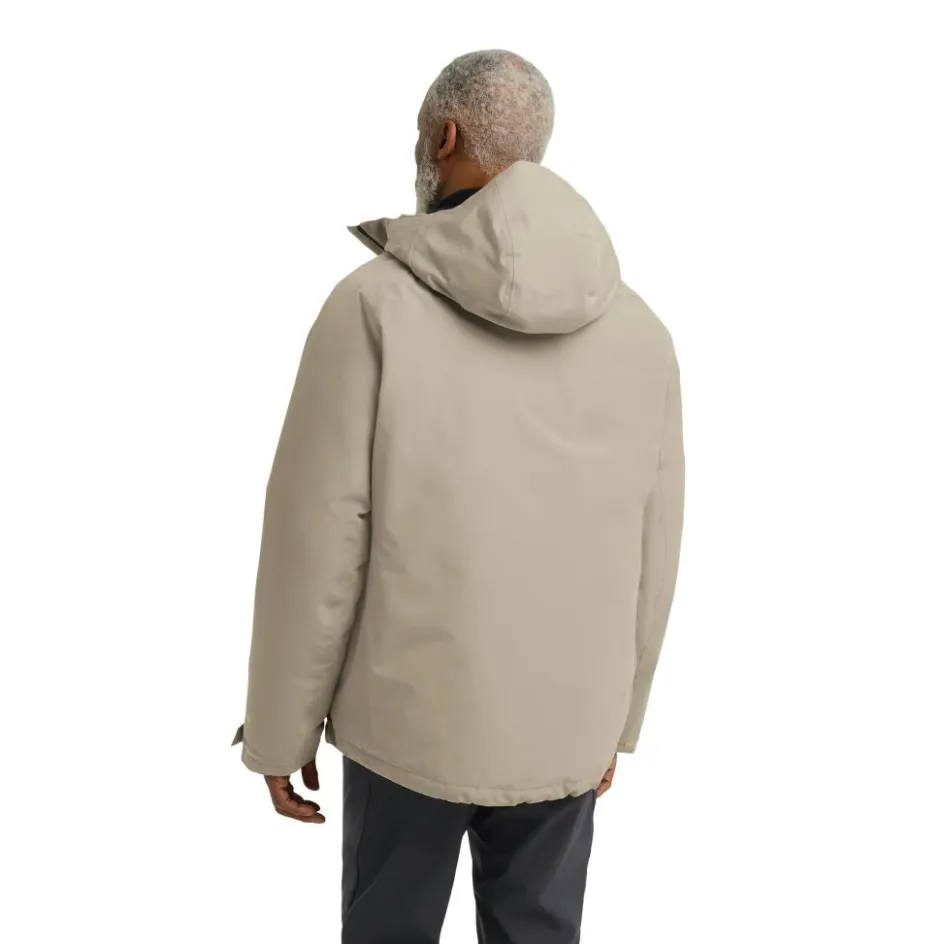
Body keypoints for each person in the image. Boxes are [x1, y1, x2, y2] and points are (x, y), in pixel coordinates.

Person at [233, 49, 685, 943]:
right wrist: (616, 724)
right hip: (566, 728)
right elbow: (654, 545)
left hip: (408, 729)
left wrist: (279, 732)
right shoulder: (641, 332)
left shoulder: (372, 307)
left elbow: (316, 540)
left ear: (443, 138)